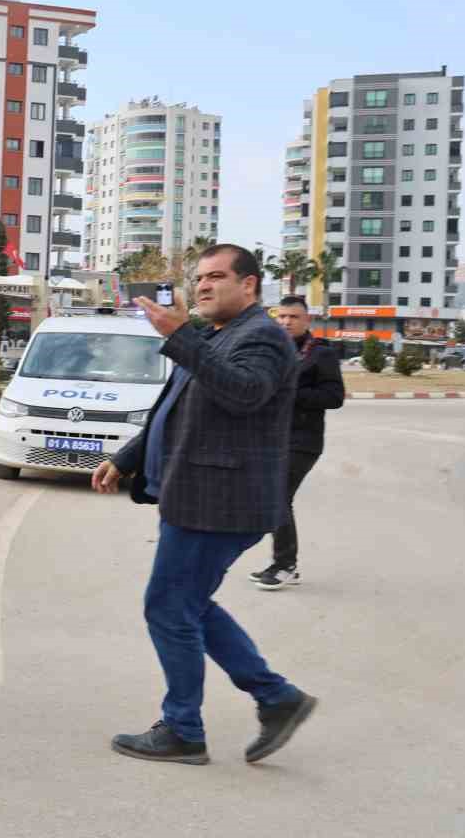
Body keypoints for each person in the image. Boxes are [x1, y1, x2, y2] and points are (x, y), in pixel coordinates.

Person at [91, 243, 318, 766]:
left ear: (249, 285)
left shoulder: (262, 336)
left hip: (220, 501)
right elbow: (174, 411)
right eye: (199, 278)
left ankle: (183, 729)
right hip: (196, 495)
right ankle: (276, 697)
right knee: (186, 604)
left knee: (169, 607)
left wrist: (181, 336)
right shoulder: (214, 336)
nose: (203, 286)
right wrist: (126, 458)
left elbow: (245, 393)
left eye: (216, 277)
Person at [250, 295, 344, 589]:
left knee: (278, 496)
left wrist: (291, 394)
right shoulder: (273, 350)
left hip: (303, 440)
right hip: (271, 438)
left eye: (294, 317)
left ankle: (285, 564)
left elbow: (334, 397)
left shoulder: (321, 354)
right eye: (282, 316)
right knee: (273, 496)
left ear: (307, 321)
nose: (287, 322)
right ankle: (283, 563)